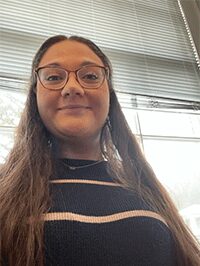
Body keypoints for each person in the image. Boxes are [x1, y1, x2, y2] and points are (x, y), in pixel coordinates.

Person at [0, 35, 200, 266]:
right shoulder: (5, 192)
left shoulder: (144, 188)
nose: (72, 87)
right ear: (34, 97)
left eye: (90, 76)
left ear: (109, 96)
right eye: (54, 77)